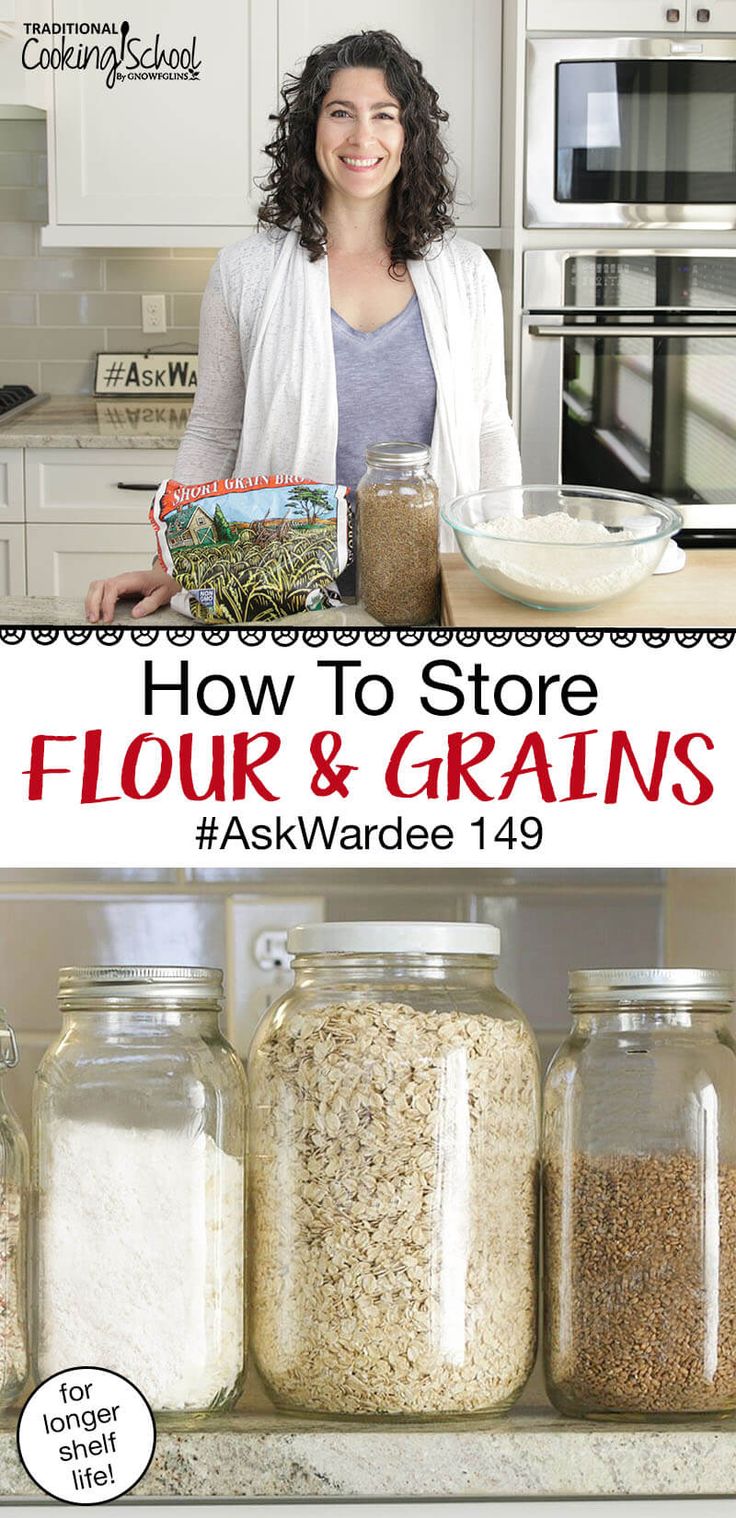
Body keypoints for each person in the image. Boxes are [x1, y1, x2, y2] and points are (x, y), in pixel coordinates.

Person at [85, 28, 521, 624]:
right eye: (340, 112)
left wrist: (505, 554)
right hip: (275, 591)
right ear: (310, 130)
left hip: (433, 589)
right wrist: (172, 560)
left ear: (408, 135)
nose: (361, 137)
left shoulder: (467, 273)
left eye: (384, 115)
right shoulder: (246, 271)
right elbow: (214, 430)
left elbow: (490, 429)